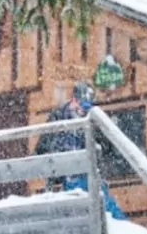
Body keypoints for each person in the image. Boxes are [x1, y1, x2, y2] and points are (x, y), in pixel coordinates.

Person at [34, 81, 126, 218]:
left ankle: (120, 226)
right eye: (81, 105)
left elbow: (108, 147)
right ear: (73, 100)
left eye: (87, 107)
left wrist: (96, 142)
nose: (83, 110)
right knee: (78, 203)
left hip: (90, 172)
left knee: (103, 203)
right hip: (66, 173)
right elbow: (42, 147)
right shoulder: (58, 117)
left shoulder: (92, 118)